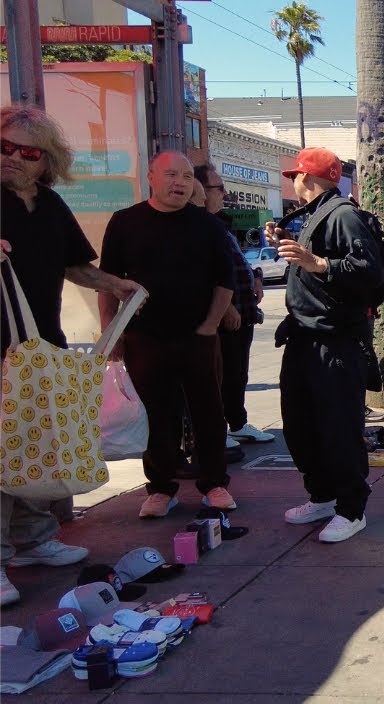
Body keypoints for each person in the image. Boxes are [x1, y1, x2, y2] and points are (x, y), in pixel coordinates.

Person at [0, 105, 140, 605]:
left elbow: (75, 266)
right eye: (5, 147)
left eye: (27, 151)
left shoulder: (51, 205)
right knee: (2, 453)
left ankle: (34, 540)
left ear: (46, 161)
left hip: (41, 348)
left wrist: (116, 284)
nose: (13, 158)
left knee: (36, 447)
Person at [99, 151, 235, 519]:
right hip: (145, 338)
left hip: (198, 337)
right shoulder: (125, 222)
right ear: (151, 178)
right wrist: (112, 333)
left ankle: (215, 484)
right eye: (171, 174)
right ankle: (160, 489)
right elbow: (107, 282)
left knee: (209, 411)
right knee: (156, 415)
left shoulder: (207, 225)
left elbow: (226, 282)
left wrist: (209, 326)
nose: (180, 183)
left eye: (187, 177)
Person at [268, 147, 384, 543]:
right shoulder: (317, 216)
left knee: (338, 426)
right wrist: (294, 247)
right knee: (301, 425)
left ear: (308, 177)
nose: (293, 183)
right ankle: (322, 495)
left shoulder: (343, 215)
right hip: (305, 336)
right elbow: (318, 265)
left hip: (335, 340)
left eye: (295, 176)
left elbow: (370, 273)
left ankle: (351, 509)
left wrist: (319, 264)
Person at [194, 164, 273, 446]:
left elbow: (237, 262)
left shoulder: (222, 224)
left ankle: (237, 423)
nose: (224, 194)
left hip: (243, 311)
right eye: (218, 188)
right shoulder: (199, 225)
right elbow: (207, 273)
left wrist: (257, 276)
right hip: (225, 314)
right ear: (200, 190)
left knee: (238, 372)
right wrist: (226, 308)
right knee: (221, 373)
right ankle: (220, 427)